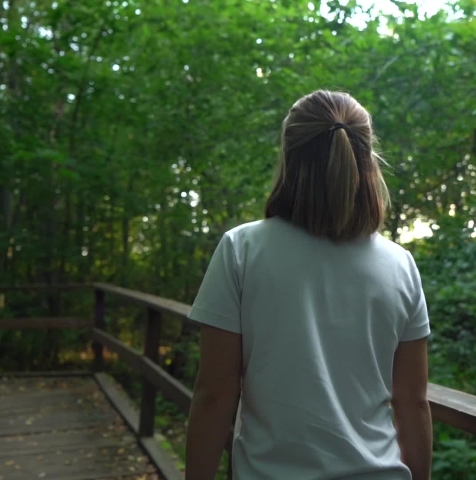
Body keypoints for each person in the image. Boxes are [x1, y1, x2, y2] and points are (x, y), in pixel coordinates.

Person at [184, 90, 432, 480]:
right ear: (367, 160)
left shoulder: (242, 250)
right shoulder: (400, 265)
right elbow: (413, 403)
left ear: (289, 156)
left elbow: (215, 394)